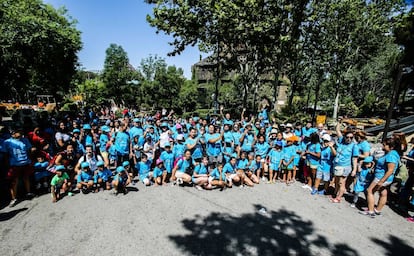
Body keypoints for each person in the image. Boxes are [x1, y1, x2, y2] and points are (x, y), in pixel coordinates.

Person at [360, 138, 400, 218]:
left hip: (381, 177)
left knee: (370, 191)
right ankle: (377, 210)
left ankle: (370, 211)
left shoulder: (391, 155)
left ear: (391, 147)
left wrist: (381, 181)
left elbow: (390, 170)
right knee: (383, 192)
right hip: (386, 178)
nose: (383, 146)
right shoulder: (393, 153)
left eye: (385, 145)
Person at [3, 128, 34, 207]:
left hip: (25, 162)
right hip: (14, 164)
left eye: (20, 131)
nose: (20, 133)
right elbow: (5, 154)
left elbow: (29, 150)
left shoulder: (25, 140)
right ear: (13, 133)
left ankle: (28, 193)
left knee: (26, 178)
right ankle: (14, 198)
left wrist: (30, 160)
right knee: (14, 182)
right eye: (18, 131)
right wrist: (8, 164)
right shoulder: (7, 142)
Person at [330, 122, 357, 203]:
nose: (349, 139)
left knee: (342, 183)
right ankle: (335, 194)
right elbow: (337, 130)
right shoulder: (342, 141)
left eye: (351, 137)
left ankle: (338, 198)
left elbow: (354, 158)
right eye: (347, 137)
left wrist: (354, 170)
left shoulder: (354, 146)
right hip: (337, 164)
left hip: (345, 166)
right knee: (337, 181)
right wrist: (340, 122)